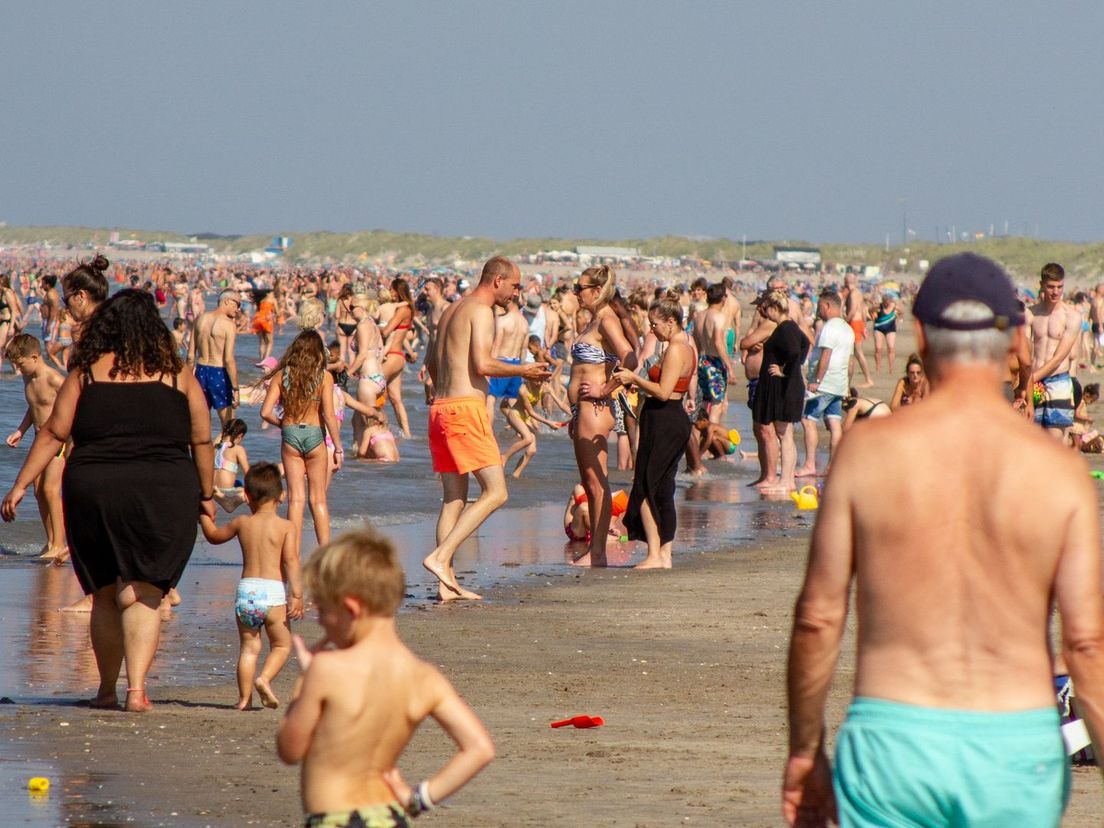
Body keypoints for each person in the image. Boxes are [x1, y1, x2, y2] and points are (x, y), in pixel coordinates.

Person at [782, 253, 1104, 828]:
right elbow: (1086, 646)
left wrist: (806, 751)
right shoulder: (1060, 474)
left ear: (922, 335)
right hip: (1017, 749)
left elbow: (817, 618)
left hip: (894, 743)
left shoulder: (868, 453)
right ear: (1014, 341)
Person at [2, 289, 215, 712]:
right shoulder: (178, 374)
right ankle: (137, 690)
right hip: (164, 487)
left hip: (95, 487)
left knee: (103, 591)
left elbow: (53, 433)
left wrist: (20, 485)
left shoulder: (86, 372)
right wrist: (206, 495)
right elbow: (202, 439)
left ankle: (105, 690)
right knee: (147, 590)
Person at [276, 528, 495, 826]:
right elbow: (480, 748)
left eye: (324, 611)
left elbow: (290, 749)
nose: (321, 623)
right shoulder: (423, 676)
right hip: (391, 817)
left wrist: (304, 681)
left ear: (351, 609)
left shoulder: (327, 670)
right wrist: (419, 798)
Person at [422, 256, 549, 600]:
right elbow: (482, 363)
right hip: (464, 411)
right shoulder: (481, 311)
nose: (516, 293)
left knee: (454, 499)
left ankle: (445, 585)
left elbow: (431, 366)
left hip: (441, 410)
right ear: (497, 281)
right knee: (497, 492)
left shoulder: (450, 311)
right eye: (515, 286)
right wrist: (526, 370)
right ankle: (440, 557)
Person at [200, 462, 302, 710]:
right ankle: (264, 679)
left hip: (247, 592)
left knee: (248, 648)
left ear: (246, 496)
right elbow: (291, 561)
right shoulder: (286, 527)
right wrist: (297, 594)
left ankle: (244, 700)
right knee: (281, 644)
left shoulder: (242, 523)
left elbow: (214, 537)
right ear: (282, 496)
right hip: (273, 592)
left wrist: (204, 515)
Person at [613, 296, 694, 569]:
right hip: (667, 418)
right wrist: (642, 384)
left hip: (665, 419)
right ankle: (664, 555)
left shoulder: (676, 348)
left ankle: (655, 555)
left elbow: (663, 391)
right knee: (662, 489)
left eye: (655, 324)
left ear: (671, 322)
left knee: (646, 487)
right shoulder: (682, 344)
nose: (652, 330)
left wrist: (633, 378)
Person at [568, 265, 638, 567]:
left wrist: (605, 388)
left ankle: (597, 552)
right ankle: (595, 550)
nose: (575, 292)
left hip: (595, 409)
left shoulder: (606, 318)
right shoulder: (595, 319)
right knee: (591, 481)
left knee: (596, 483)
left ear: (596, 291)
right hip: (583, 410)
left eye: (579, 287)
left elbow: (630, 357)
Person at [260, 330, 344, 551]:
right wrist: (337, 446)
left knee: (295, 499)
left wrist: (283, 425)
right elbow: (328, 414)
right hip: (315, 435)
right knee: (317, 500)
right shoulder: (324, 376)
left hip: (290, 436)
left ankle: (291, 553)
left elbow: (265, 412)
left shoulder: (282, 375)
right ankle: (325, 553)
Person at [4, 333, 67, 560]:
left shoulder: (55, 380)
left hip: (58, 441)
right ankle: (50, 541)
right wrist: (20, 431)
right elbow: (35, 407)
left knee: (51, 490)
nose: (19, 370)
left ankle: (60, 544)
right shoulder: (27, 378)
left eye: (21, 365)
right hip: (40, 440)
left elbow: (75, 405)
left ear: (35, 357)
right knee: (38, 491)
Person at [752, 290, 809, 495]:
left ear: (775, 308)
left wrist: (783, 370)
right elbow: (805, 343)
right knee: (784, 433)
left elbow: (796, 350)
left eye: (767, 309)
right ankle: (786, 480)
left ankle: (786, 480)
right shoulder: (788, 326)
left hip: (786, 387)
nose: (765, 313)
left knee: (784, 434)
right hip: (786, 386)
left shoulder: (786, 327)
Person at [796, 291, 854, 478]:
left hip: (825, 384)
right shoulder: (847, 329)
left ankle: (810, 464)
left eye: (820, 306)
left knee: (807, 420)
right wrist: (846, 385)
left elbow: (825, 356)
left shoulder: (830, 327)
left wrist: (816, 381)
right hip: (838, 384)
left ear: (828, 306)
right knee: (834, 422)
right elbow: (850, 362)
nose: (818, 309)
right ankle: (832, 467)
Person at [1029, 262, 1081, 439]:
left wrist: (1032, 379)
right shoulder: (1030, 314)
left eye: (1060, 287)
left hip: (1058, 382)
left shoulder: (1072, 316)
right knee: (1032, 439)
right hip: (1033, 381)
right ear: (1042, 284)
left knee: (1054, 442)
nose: (1055, 291)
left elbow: (1059, 357)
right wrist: (1025, 382)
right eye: (1051, 286)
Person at [191, 289, 242, 429]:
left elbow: (190, 357)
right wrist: (236, 389)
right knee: (229, 425)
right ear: (227, 301)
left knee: (199, 424)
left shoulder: (199, 320)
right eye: (238, 304)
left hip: (200, 372)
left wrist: (187, 382)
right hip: (219, 373)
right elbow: (229, 360)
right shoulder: (229, 325)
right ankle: (225, 450)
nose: (238, 309)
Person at [694, 283, 737, 424]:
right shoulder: (718, 316)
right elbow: (718, 343)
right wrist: (730, 368)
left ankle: (702, 441)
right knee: (716, 405)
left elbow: (696, 343)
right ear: (723, 298)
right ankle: (711, 440)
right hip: (714, 363)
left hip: (701, 360)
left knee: (704, 404)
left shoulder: (699, 316)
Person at [842, 272, 874, 387]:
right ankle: (865, 379)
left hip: (854, 323)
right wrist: (864, 326)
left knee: (858, 353)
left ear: (846, 281)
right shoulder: (858, 292)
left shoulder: (853, 293)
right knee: (855, 353)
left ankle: (868, 379)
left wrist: (844, 322)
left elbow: (853, 310)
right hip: (858, 322)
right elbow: (863, 311)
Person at [213, 417, 250, 513]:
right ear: (240, 436)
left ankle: (217, 495)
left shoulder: (215, 446)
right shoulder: (238, 449)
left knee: (238, 483)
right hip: (227, 490)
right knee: (249, 489)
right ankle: (230, 502)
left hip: (213, 486)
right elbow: (248, 474)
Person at [0, 273, 25, 374]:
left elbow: (14, 309)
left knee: (1, 346)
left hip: (7, 323)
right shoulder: (2, 293)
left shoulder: (8, 293)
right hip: (4, 322)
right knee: (7, 348)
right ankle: (17, 371)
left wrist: (11, 327)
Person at [871, 291, 897, 374]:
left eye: (888, 301)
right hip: (878, 328)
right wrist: (873, 313)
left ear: (890, 301)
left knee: (891, 348)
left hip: (891, 329)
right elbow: (870, 310)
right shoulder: (879, 306)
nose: (887, 303)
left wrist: (897, 317)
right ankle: (878, 368)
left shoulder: (894, 306)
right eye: (885, 301)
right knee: (878, 349)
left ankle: (891, 369)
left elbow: (902, 311)